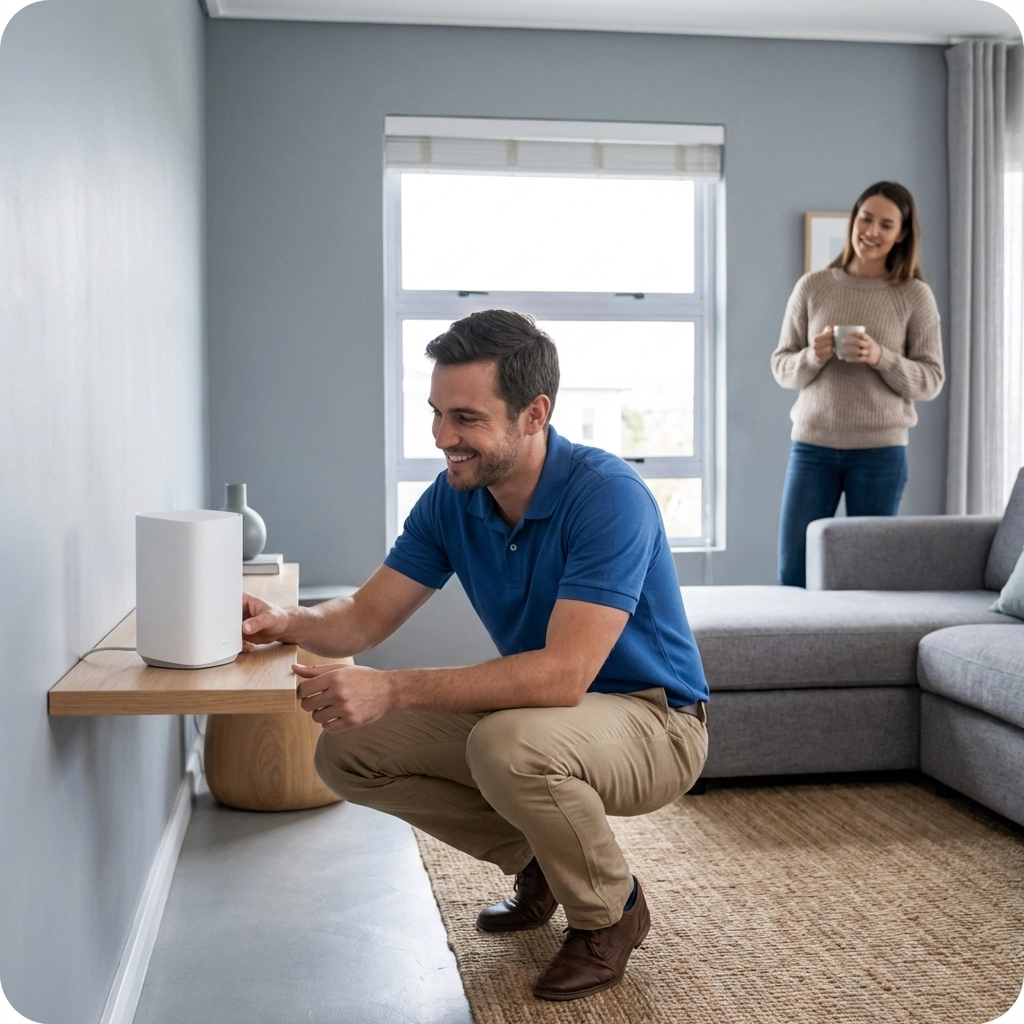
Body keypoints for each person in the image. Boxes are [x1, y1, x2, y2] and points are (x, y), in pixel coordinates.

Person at [240, 309, 709, 1002]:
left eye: (464, 418)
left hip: (657, 722)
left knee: (507, 744)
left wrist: (393, 689)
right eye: (435, 414)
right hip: (549, 716)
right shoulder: (455, 499)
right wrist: (287, 620)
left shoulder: (608, 497)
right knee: (348, 750)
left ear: (534, 413)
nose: (441, 439)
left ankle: (610, 912)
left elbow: (563, 673)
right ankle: (547, 862)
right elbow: (365, 616)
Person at [771, 181, 945, 588]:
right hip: (812, 447)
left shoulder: (914, 295)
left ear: (901, 234)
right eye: (866, 218)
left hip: (880, 454)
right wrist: (814, 354)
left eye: (886, 224)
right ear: (854, 220)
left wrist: (880, 357)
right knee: (794, 570)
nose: (872, 230)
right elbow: (782, 368)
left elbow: (932, 379)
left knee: (871, 577)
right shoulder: (813, 286)